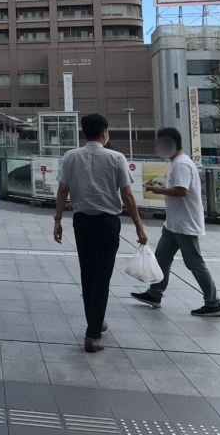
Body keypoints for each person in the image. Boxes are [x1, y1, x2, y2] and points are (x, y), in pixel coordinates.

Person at [55, 113, 147, 352]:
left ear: (84, 132)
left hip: (81, 222)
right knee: (102, 277)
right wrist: (139, 226)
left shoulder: (71, 156)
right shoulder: (117, 158)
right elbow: (127, 196)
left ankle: (94, 321)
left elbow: (63, 190)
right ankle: (93, 334)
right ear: (104, 133)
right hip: (107, 224)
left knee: (87, 274)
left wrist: (57, 221)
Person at [132, 127, 220, 316]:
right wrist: (162, 188)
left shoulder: (181, 164)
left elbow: (182, 191)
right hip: (174, 223)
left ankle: (213, 303)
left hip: (185, 224)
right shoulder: (177, 162)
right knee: (162, 259)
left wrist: (158, 191)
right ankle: (155, 293)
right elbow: (178, 188)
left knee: (195, 263)